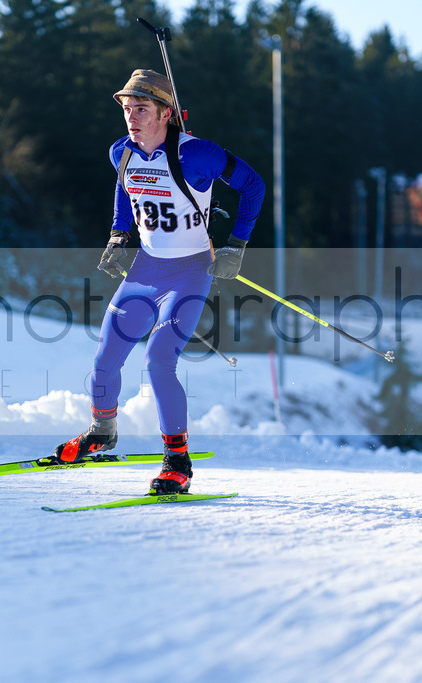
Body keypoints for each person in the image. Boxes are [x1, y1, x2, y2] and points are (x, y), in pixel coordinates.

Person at [53, 68, 266, 494]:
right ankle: (102, 432)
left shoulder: (198, 155)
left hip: (189, 273)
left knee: (158, 358)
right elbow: (124, 189)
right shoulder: (122, 152)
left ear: (166, 114)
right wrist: (119, 235)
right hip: (145, 270)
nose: (132, 117)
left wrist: (235, 246)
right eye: (127, 109)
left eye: (142, 109)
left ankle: (178, 461)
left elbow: (253, 185)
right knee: (105, 357)